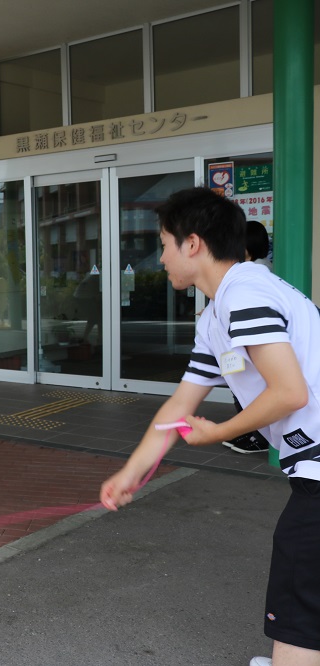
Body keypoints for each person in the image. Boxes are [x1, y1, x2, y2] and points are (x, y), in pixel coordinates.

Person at [99, 187, 320, 666]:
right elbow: (180, 405)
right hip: (312, 471)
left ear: (193, 243)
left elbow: (289, 393)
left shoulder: (244, 294)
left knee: (298, 617)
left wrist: (217, 432)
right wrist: (130, 473)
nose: (161, 258)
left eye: (164, 244)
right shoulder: (219, 313)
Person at [222, 220, 274, 455]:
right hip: (245, 340)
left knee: (245, 386)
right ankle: (251, 430)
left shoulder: (255, 272)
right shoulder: (257, 268)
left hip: (250, 341)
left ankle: (259, 437)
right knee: (240, 384)